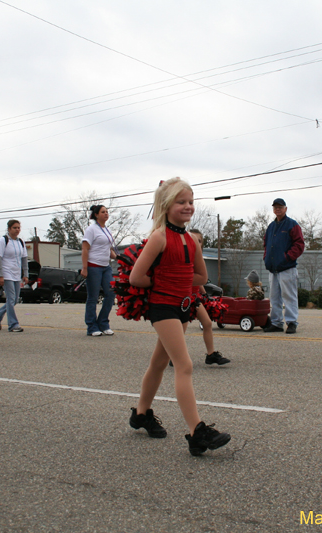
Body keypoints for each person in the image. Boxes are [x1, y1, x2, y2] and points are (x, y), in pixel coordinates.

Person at [128, 177, 231, 456]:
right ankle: (197, 431)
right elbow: (136, 277)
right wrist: (162, 282)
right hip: (162, 307)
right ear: (166, 205)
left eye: (190, 202)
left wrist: (180, 283)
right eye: (181, 202)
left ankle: (141, 414)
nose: (188, 206)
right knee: (184, 365)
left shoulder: (190, 240)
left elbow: (202, 276)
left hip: (182, 306)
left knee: (159, 363)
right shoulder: (159, 237)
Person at [263, 198, 304, 334]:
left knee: (289, 297)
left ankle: (292, 322)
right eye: (275, 207)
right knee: (274, 297)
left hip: (287, 268)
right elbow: (266, 245)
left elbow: (299, 245)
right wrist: (266, 258)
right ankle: (276, 323)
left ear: (285, 209)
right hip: (273, 269)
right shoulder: (271, 227)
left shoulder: (292, 225)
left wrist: (287, 257)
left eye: (280, 207)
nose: (277, 209)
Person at [190, 229, 230, 366]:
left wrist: (205, 295)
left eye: (199, 241)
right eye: (192, 239)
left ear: (201, 245)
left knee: (207, 323)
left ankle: (211, 355)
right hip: (182, 298)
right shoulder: (185, 258)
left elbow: (199, 281)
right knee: (179, 328)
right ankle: (173, 355)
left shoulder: (199, 259)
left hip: (194, 298)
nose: (195, 243)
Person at [81, 205, 117, 337]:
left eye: (107, 212)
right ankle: (92, 326)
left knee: (111, 293)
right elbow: (85, 249)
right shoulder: (91, 229)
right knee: (93, 297)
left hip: (105, 266)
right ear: (96, 215)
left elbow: (109, 250)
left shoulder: (107, 230)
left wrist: (120, 257)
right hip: (93, 266)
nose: (106, 214)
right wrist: (85, 268)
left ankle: (103, 323)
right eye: (103, 212)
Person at [0, 219, 28, 333]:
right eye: (14, 228)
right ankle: (13, 324)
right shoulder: (3, 241)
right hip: (7, 273)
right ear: (9, 229)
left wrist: (25, 274)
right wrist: (0, 275)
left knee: (15, 300)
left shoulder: (20, 242)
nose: (17, 230)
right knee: (11, 299)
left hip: (16, 274)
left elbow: (24, 259)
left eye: (18, 228)